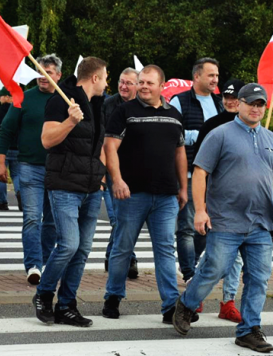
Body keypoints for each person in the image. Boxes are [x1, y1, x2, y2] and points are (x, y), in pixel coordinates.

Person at [173, 83, 273, 353]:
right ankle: (187, 303)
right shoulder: (220, 134)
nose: (256, 108)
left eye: (260, 104)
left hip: (260, 223)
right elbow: (199, 173)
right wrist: (200, 210)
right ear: (240, 104)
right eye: (251, 103)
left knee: (258, 277)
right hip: (225, 221)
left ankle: (248, 330)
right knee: (214, 270)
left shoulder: (271, 139)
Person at [102, 65, 195, 323]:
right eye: (140, 82)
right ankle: (113, 297)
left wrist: (183, 188)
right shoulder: (124, 112)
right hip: (132, 194)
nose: (143, 86)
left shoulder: (175, 115)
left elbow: (180, 153)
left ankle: (169, 307)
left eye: (148, 83)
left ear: (161, 86)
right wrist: (117, 180)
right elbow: (110, 147)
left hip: (166, 195)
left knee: (165, 250)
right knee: (122, 247)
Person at [32, 56, 108, 327]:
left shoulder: (100, 103)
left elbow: (100, 143)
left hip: (91, 186)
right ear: (95, 77)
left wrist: (101, 177)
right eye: (106, 76)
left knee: (83, 249)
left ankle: (66, 305)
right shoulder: (61, 100)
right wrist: (70, 122)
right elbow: (47, 140)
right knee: (68, 245)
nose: (107, 82)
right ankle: (44, 294)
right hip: (64, 184)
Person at [0, 54, 61, 285]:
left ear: (58, 76)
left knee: (53, 221)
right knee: (32, 217)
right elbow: (6, 130)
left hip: (58, 169)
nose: (44, 77)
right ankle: (33, 265)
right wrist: (0, 161)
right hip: (29, 166)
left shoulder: (66, 100)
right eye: (41, 72)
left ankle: (44, 261)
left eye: (49, 73)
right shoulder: (22, 97)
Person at [195, 78, 246, 323]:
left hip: (244, 204)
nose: (230, 101)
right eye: (226, 97)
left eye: (235, 97)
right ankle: (198, 297)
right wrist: (201, 205)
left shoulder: (254, 126)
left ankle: (227, 301)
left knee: (232, 255)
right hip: (216, 200)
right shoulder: (212, 126)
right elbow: (200, 167)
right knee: (215, 254)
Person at [170, 57, 224, 283]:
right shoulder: (179, 101)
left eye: (217, 76)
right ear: (197, 76)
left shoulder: (220, 102)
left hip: (217, 175)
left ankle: (192, 262)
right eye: (211, 75)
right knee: (186, 226)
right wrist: (203, 136)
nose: (215, 80)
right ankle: (189, 272)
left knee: (209, 225)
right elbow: (173, 132)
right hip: (191, 173)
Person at [101, 67, 139, 278]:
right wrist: (103, 172)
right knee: (118, 218)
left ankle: (112, 255)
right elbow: (103, 139)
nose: (124, 86)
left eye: (129, 83)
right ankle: (128, 258)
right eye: (121, 82)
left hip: (134, 170)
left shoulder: (142, 105)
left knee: (126, 219)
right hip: (110, 169)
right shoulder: (108, 105)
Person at [0, 87, 17, 211]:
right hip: (17, 147)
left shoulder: (0, 111)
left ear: (7, 97)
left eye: (1, 96)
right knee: (17, 175)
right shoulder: (19, 109)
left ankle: (2, 201)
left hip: (2, 148)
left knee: (1, 175)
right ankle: (21, 196)